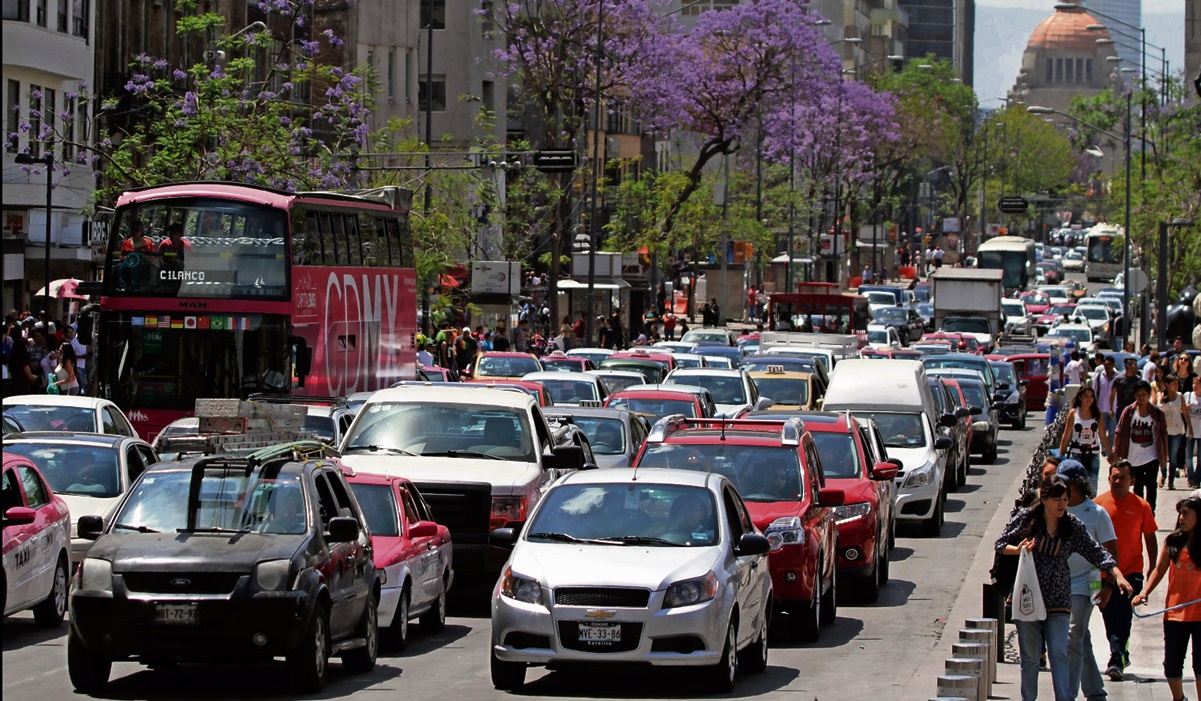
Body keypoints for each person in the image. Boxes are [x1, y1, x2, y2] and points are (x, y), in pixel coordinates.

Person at [995, 475, 1132, 701]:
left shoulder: (1072, 525)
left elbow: (1096, 551)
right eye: (1058, 499)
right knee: (1029, 657)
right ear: (1045, 498)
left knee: (1059, 651)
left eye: (1066, 500)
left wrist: (1118, 576)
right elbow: (1000, 545)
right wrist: (1018, 550)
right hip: (1029, 594)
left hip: (1059, 596)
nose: (1062, 504)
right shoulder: (1027, 518)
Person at [1058, 460, 1119, 701]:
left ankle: (1067, 695)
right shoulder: (1055, 509)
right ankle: (1095, 692)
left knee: (1073, 637)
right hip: (1058, 585)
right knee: (1081, 639)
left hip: (1086, 585)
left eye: (1065, 484)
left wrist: (1109, 586)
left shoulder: (1097, 514)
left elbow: (1111, 552)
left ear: (1078, 485)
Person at [1095, 460, 1159, 681]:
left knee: (1122, 614)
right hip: (1103, 573)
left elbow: (1150, 538)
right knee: (1107, 614)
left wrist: (1153, 566)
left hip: (1132, 571)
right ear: (1109, 478)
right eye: (1114, 477)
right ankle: (1121, 652)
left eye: (1123, 478)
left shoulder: (1141, 506)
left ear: (1132, 481)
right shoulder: (1098, 505)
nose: (1118, 481)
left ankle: (1116, 658)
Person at [1134, 496, 1201, 701]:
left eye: (1186, 513)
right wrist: (1144, 592)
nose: (1182, 517)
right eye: (1180, 513)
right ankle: (1179, 698)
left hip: (1199, 615)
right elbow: (1159, 570)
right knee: (1172, 665)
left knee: (1200, 665)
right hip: (1174, 613)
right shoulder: (1172, 541)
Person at [1115, 380, 1171, 508]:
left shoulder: (1157, 413)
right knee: (1137, 488)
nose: (1141, 397)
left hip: (1151, 457)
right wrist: (1116, 451)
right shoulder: (1128, 411)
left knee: (1151, 487)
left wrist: (1164, 457)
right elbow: (1119, 432)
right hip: (1133, 458)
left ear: (1149, 395)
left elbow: (1163, 435)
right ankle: (1139, 515)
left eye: (1144, 394)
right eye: (1138, 395)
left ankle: (1150, 515)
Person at [1060, 385, 1112, 487]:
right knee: (1075, 485)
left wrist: (1110, 453)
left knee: (1092, 485)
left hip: (1093, 453)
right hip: (1076, 453)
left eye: (1091, 396)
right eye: (1086, 396)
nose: (1089, 399)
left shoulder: (1097, 413)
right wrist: (1060, 455)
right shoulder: (1073, 413)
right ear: (1080, 397)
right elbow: (1066, 435)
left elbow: (1102, 435)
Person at [1159, 374, 1192, 492]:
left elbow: (1185, 413)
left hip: (1177, 430)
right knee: (1163, 456)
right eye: (1174, 383)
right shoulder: (1160, 396)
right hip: (1163, 431)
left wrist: (1190, 428)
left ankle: (1171, 480)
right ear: (1167, 384)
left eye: (1177, 383)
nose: (1176, 386)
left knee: (1173, 457)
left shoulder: (1180, 396)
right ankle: (1163, 474)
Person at [1094, 355, 1120, 449]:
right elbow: (1094, 391)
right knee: (1102, 430)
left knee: (1113, 430)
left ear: (1113, 365)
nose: (1107, 366)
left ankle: (1109, 447)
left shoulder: (1118, 377)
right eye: (1105, 364)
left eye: (1109, 364)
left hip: (1113, 408)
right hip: (1101, 408)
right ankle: (1104, 448)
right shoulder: (1099, 376)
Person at [64, 324, 89, 392]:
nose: (71, 334)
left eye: (72, 332)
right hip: (77, 366)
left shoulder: (85, 341)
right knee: (80, 385)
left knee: (84, 384)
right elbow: (72, 356)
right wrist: (82, 356)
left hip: (84, 366)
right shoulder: (73, 342)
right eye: (69, 332)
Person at [1187, 376, 1201, 489]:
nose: (1194, 385)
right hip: (1189, 431)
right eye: (1193, 383)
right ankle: (1190, 477)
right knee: (1188, 457)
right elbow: (1180, 410)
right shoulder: (1188, 396)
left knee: (1200, 458)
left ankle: (1196, 480)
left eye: (1197, 383)